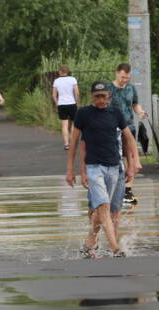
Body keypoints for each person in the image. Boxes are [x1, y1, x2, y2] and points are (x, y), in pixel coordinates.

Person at [65, 81, 140, 258]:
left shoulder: (115, 113)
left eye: (103, 96)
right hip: (94, 167)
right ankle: (115, 248)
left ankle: (89, 242)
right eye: (97, 96)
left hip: (114, 167)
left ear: (109, 96)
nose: (100, 100)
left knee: (103, 209)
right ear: (92, 96)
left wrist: (134, 162)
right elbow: (75, 143)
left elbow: (129, 138)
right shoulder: (83, 114)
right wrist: (71, 170)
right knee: (103, 206)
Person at [109, 62, 147, 205]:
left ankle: (128, 191)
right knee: (116, 157)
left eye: (127, 78)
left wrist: (140, 112)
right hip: (112, 128)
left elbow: (135, 104)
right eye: (123, 77)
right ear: (117, 73)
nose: (125, 80)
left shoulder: (131, 88)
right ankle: (115, 188)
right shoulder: (108, 88)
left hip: (129, 126)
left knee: (130, 157)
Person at [52, 65, 80, 150]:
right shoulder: (72, 79)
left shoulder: (56, 81)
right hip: (72, 104)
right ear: (68, 71)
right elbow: (77, 92)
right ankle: (73, 143)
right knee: (73, 124)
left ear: (60, 72)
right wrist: (77, 102)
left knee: (64, 124)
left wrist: (57, 103)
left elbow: (53, 95)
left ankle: (66, 144)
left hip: (62, 104)